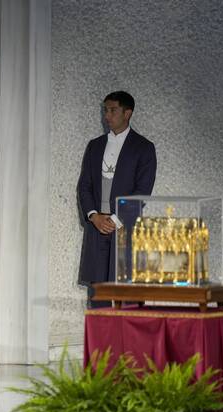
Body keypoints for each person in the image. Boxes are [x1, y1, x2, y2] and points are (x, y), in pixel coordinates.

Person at [77, 91, 157, 307]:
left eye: (112, 110)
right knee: (98, 294)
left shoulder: (143, 147)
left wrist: (115, 219)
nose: (107, 116)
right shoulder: (95, 145)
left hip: (125, 228)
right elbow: (84, 186)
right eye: (105, 110)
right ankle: (100, 341)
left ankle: (131, 342)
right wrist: (94, 216)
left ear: (127, 113)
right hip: (97, 227)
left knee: (128, 292)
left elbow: (142, 190)